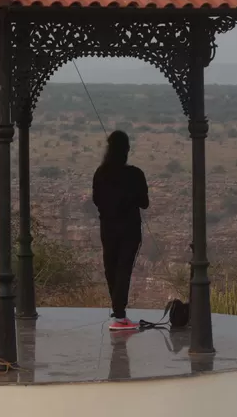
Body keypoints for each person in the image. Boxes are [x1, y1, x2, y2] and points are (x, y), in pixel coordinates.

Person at [92, 130, 149, 331]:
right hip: (130, 229)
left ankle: (118, 312)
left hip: (108, 228)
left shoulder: (101, 173)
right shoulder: (135, 174)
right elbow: (145, 203)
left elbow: (97, 200)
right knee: (124, 268)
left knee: (111, 267)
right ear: (126, 150)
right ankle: (119, 314)